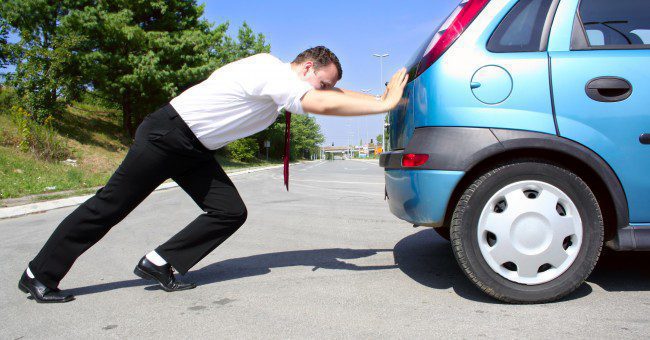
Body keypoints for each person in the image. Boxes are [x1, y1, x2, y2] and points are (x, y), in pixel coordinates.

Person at [18, 46, 409, 303]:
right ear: (307, 66)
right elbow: (322, 102)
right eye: (323, 80)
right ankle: (38, 274)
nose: (325, 88)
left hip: (193, 148)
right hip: (167, 135)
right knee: (110, 206)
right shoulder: (272, 72)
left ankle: (159, 261)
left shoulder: (281, 80)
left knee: (228, 211)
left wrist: (382, 100)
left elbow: (332, 96)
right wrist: (382, 104)